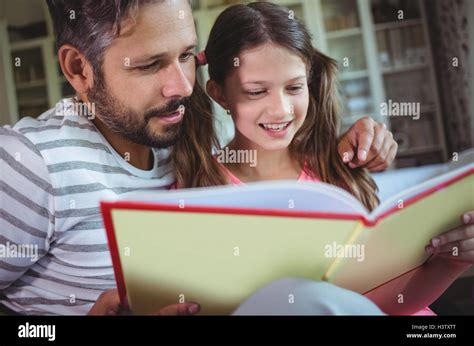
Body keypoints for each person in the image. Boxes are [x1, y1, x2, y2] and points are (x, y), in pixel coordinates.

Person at [1, 0, 398, 315]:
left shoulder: (188, 140)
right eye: (150, 64)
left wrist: (344, 143)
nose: (183, 86)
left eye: (187, 55)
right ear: (78, 69)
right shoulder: (28, 165)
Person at [175, 2, 472, 315]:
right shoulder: (199, 190)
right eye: (256, 91)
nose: (281, 109)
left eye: (294, 87)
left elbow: (391, 302)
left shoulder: (338, 168)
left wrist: (453, 261)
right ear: (220, 94)